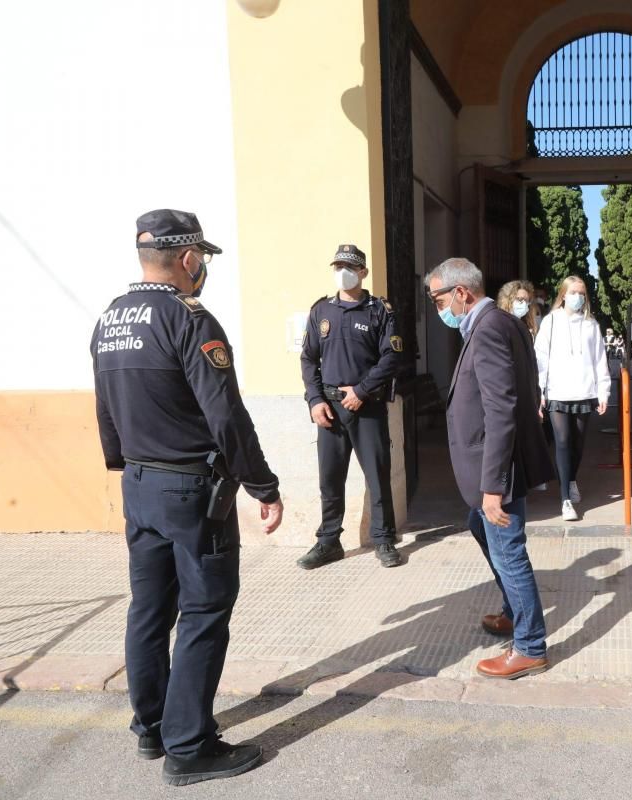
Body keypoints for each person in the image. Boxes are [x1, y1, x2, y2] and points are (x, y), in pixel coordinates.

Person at [91, 209, 283, 785]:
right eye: (204, 261)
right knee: (203, 610)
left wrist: (123, 465)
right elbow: (224, 413)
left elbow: (104, 408)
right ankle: (189, 746)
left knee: (148, 608)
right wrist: (263, 484)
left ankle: (151, 725)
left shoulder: (108, 320)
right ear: (189, 259)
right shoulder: (188, 318)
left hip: (140, 483)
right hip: (191, 490)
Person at [425, 257, 555, 678]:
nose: (437, 307)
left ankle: (530, 645)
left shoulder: (488, 330)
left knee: (508, 551)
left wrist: (495, 484)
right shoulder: (501, 323)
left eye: (438, 298)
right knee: (481, 527)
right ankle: (512, 610)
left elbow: (502, 408)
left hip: (495, 467)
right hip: (492, 465)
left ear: (461, 293)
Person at [299, 245, 403, 570]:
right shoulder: (321, 311)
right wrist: (315, 400)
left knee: (377, 475)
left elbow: (392, 357)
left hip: (367, 406)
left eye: (350, 266)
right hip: (330, 409)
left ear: (363, 272)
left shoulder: (379, 310)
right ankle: (329, 542)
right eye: (338, 265)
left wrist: (361, 389)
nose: (343, 270)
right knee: (330, 479)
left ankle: (384, 539)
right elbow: (307, 359)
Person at [534, 275, 611, 521]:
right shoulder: (550, 322)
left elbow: (600, 360)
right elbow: (541, 357)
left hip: (584, 392)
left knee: (577, 443)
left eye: (582, 293)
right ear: (563, 294)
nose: (578, 297)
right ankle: (565, 498)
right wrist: (540, 392)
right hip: (557, 391)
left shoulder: (591, 325)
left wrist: (603, 391)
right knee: (563, 441)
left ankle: (571, 479)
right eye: (574, 292)